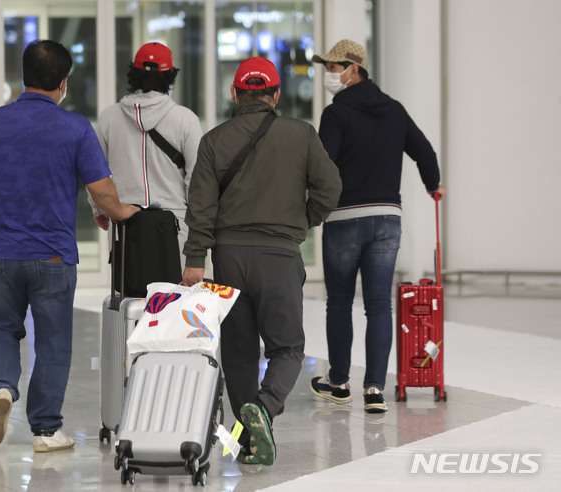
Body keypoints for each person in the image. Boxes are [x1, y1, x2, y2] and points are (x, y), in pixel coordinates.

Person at [0, 40, 139, 452]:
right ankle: (45, 430)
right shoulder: (75, 127)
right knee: (54, 341)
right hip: (55, 254)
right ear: (63, 83)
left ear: (23, 77)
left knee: (2, 328)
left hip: (3, 251)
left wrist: (0, 206)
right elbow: (103, 192)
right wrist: (124, 213)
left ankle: (1, 389)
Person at [182, 57, 341, 466]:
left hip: (230, 258)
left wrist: (195, 258)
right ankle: (265, 409)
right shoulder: (301, 134)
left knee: (238, 352)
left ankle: (250, 440)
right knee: (287, 348)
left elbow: (201, 206)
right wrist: (301, 221)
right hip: (280, 256)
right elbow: (331, 187)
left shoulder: (214, 140)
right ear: (275, 95)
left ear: (234, 94)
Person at [309, 39, 446, 413]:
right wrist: (434, 185)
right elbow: (425, 152)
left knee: (338, 303)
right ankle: (374, 391)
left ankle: (338, 383)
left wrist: (310, 203)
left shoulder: (336, 114)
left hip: (344, 219)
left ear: (354, 69)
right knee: (378, 306)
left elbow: (323, 166)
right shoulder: (394, 111)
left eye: (334, 67)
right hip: (387, 218)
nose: (329, 74)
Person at [91, 42, 202, 265]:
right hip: (175, 226)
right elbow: (197, 179)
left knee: (129, 296)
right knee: (173, 297)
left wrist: (100, 208)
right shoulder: (186, 119)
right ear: (170, 75)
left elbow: (95, 174)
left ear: (133, 74)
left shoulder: (109, 118)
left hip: (125, 225)